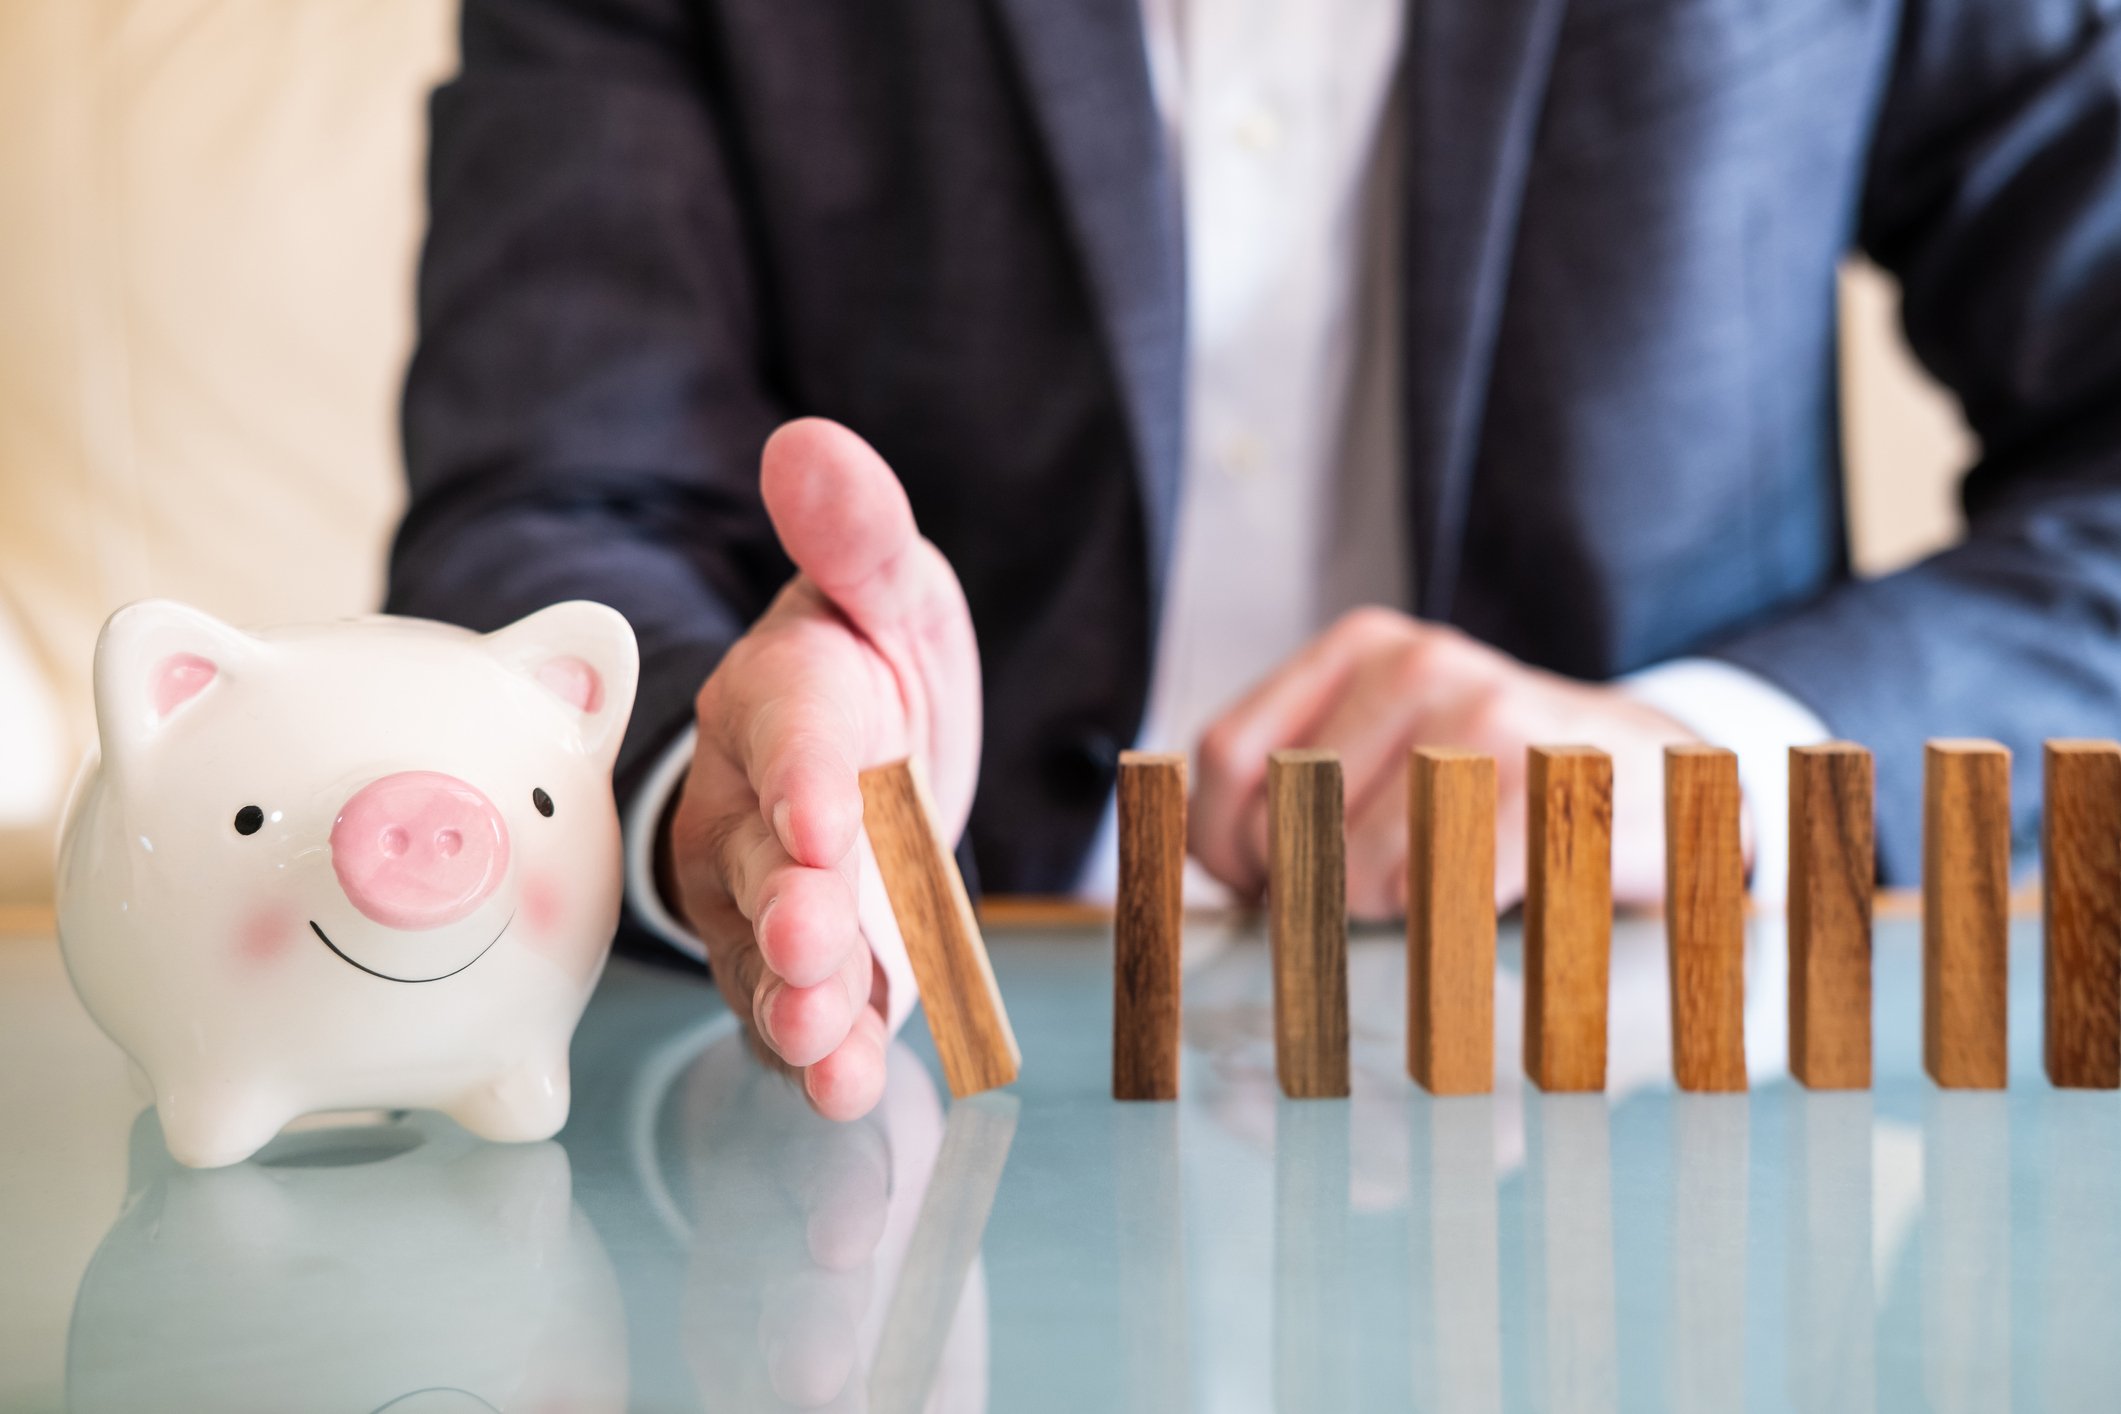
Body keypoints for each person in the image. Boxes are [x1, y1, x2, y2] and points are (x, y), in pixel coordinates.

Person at [389, 0, 2121, 1120]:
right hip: (899, 1112)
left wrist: (1710, 759)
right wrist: (723, 782)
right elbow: (544, 503)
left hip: (1655, 1100)